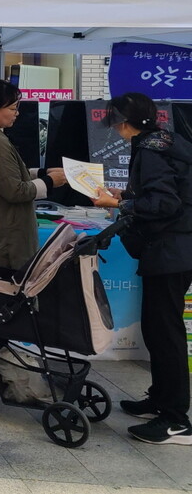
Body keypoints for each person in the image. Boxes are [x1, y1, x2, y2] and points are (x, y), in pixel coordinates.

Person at [92, 92, 192, 445]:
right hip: (176, 249)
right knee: (156, 327)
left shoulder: (150, 151)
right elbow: (170, 192)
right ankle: (160, 400)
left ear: (124, 122)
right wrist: (124, 196)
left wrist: (120, 204)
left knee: (165, 333)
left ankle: (176, 420)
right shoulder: (166, 141)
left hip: (170, 252)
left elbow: (164, 203)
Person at [0, 80, 66, 276]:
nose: (17, 113)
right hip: (7, 241)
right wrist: (50, 182)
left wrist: (42, 173)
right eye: (12, 108)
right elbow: (14, 190)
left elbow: (9, 174)